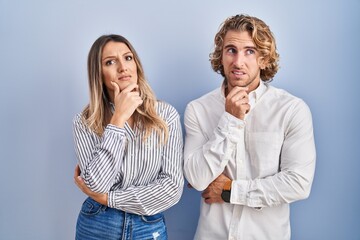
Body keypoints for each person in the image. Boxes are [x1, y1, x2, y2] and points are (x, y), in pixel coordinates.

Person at [183, 14, 316, 240]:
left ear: (264, 59)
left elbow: (298, 183)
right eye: (231, 50)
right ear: (221, 56)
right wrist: (230, 120)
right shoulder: (198, 109)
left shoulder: (291, 109)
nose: (238, 62)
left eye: (250, 51)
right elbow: (196, 177)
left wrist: (230, 191)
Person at [72, 34, 184, 240]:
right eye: (110, 62)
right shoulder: (84, 121)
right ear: (98, 73)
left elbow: (172, 188)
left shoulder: (166, 115)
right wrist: (118, 119)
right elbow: (96, 184)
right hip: (97, 225)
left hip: (148, 225)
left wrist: (108, 198)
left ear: (136, 65)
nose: (123, 67)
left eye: (128, 58)